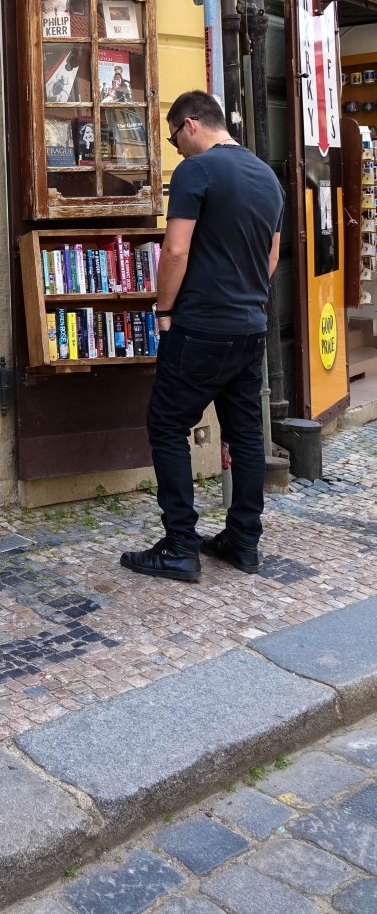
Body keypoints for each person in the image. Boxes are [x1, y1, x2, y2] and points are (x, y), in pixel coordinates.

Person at [120, 89, 284, 584]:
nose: (176, 149)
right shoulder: (267, 176)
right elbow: (271, 257)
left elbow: (175, 251)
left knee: (167, 425)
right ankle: (242, 542)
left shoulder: (197, 170)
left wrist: (164, 312)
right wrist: (247, 300)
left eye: (173, 139)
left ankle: (180, 546)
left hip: (200, 327)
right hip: (250, 326)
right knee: (246, 435)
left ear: (190, 124)